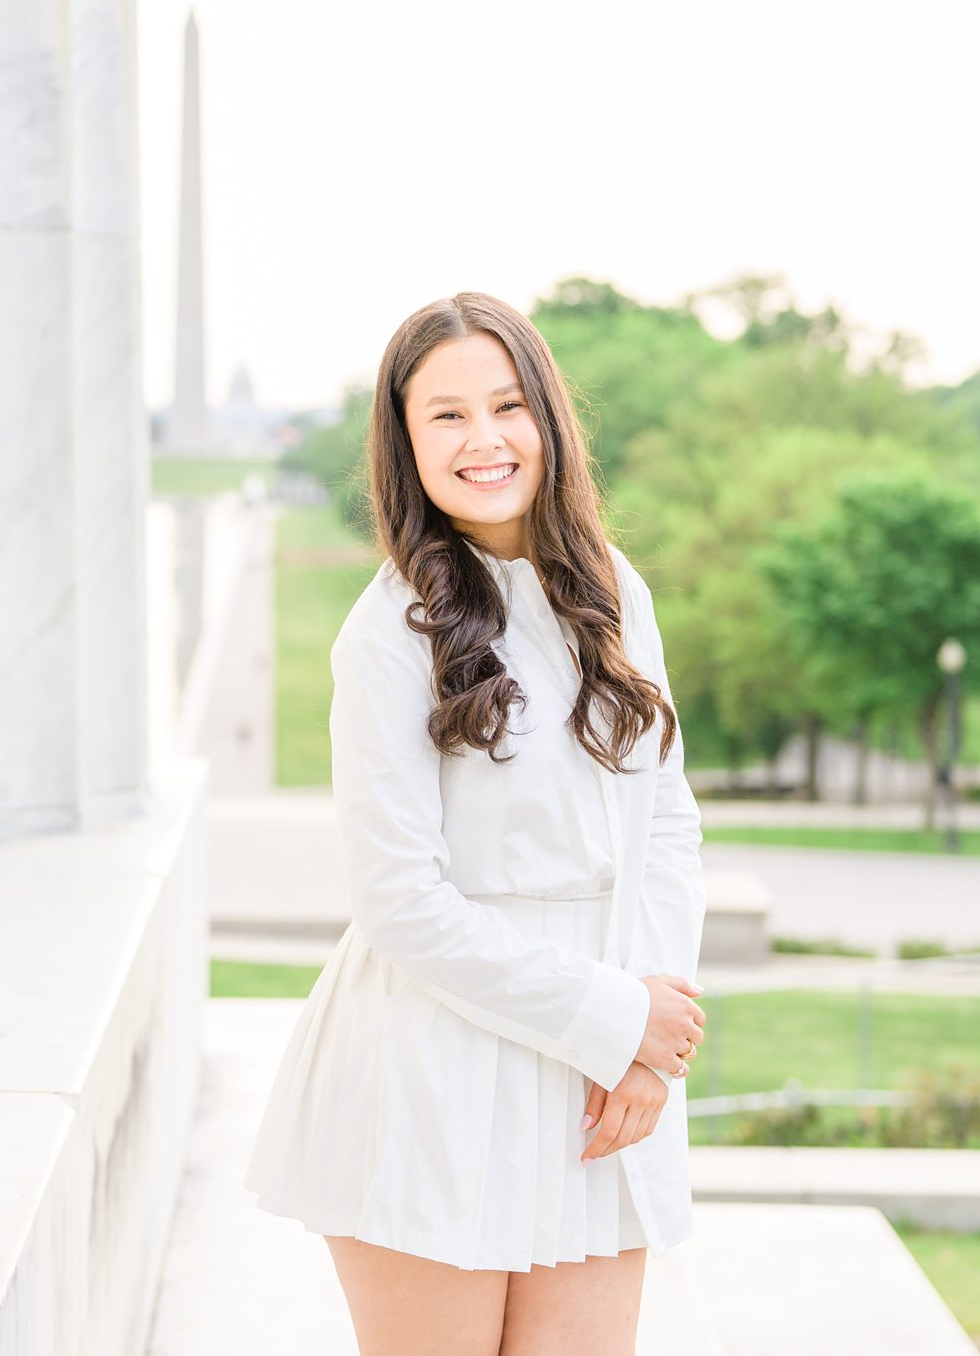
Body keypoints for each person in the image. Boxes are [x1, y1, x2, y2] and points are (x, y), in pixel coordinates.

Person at [241, 293, 706, 1355]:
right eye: (445, 415)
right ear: (405, 443)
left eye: (506, 405)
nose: (484, 439)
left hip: (599, 1074)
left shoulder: (615, 593)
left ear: (548, 417)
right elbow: (401, 903)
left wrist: (646, 1036)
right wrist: (609, 1014)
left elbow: (666, 825)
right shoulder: (389, 633)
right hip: (435, 1063)